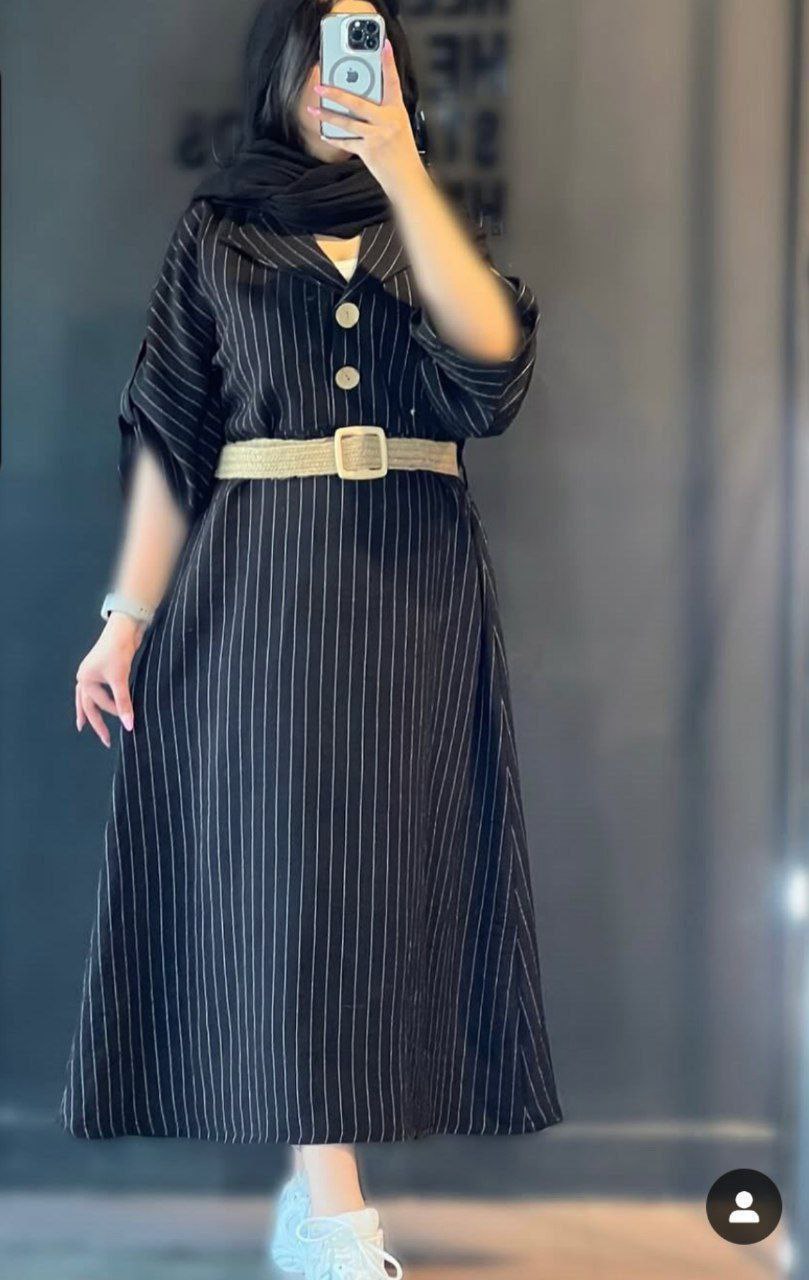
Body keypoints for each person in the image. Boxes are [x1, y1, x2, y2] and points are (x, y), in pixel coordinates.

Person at [61, 0, 563, 1275]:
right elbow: (168, 437)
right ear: (283, 71)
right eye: (328, 51)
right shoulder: (219, 231)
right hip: (258, 591)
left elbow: (491, 373)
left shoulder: (427, 224)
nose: (346, 74)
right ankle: (333, 1212)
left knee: (387, 875)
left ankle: (313, 1201)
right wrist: (123, 621)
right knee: (286, 882)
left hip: (414, 594)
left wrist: (401, 166)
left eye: (369, 46)